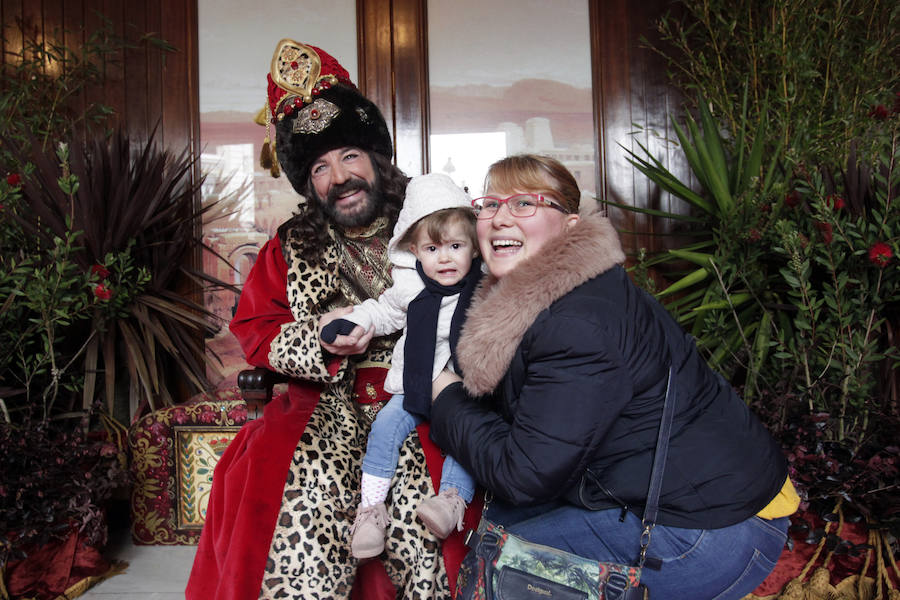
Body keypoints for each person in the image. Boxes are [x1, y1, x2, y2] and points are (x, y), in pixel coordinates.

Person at [428, 154, 799, 600]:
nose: (501, 218)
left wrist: (445, 397)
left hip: (714, 529)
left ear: (569, 225)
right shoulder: (559, 287)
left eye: (525, 203)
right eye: (490, 204)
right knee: (497, 519)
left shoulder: (578, 322)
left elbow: (522, 473)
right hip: (703, 495)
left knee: (498, 568)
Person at [187, 39, 477, 600]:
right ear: (308, 183)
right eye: (320, 167)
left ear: (374, 160)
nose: (338, 177)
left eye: (348, 157)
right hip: (324, 401)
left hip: (426, 389)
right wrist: (318, 338)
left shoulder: (429, 222)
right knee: (292, 481)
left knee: (436, 485)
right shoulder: (288, 248)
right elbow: (257, 331)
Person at [319, 173, 480, 558]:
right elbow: (383, 312)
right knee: (385, 427)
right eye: (432, 248)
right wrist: (354, 321)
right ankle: (371, 510)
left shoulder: (485, 284)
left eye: (456, 246)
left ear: (474, 248)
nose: (444, 258)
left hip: (463, 383)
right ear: (414, 250)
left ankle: (451, 502)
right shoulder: (409, 286)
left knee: (469, 433)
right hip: (413, 382)